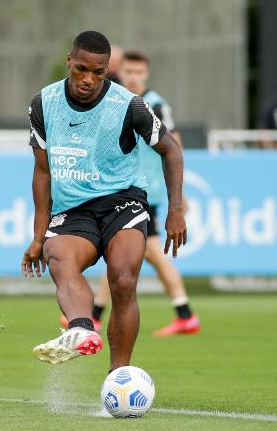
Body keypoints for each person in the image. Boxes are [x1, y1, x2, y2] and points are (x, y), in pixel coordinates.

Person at [22, 31, 186, 371]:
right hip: (72, 209)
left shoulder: (129, 105)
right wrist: (39, 236)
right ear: (69, 61)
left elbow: (171, 149)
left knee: (123, 280)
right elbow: (42, 173)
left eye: (98, 72)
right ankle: (81, 329)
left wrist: (175, 210)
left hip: (122, 203)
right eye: (81, 69)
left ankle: (118, 375)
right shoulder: (43, 103)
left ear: (107, 69)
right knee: (58, 258)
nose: (88, 79)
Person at [59, 50, 200, 336]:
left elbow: (174, 146)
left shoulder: (156, 105)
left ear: (146, 74)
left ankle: (183, 312)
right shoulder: (115, 100)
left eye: (139, 73)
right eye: (128, 72)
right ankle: (178, 312)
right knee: (119, 254)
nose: (133, 78)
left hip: (145, 192)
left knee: (144, 253)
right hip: (123, 191)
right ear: (119, 72)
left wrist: (178, 197)